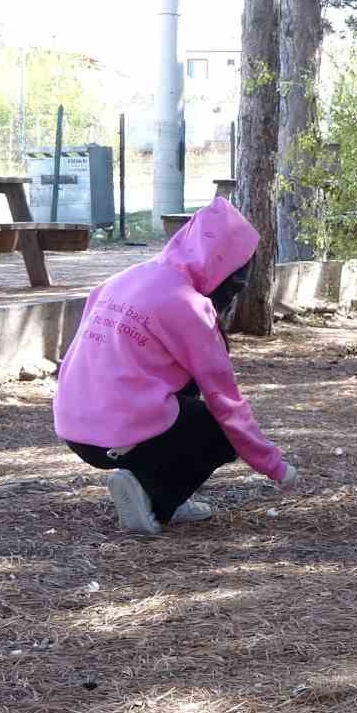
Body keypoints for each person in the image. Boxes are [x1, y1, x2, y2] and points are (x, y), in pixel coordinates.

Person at [53, 197, 298, 534]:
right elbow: (226, 404)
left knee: (186, 397)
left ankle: (151, 481)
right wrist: (275, 466)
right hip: (117, 432)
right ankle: (155, 498)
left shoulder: (126, 277)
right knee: (221, 434)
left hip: (73, 427)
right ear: (224, 272)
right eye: (236, 285)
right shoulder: (188, 305)